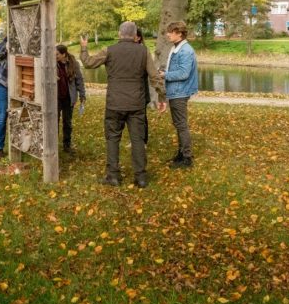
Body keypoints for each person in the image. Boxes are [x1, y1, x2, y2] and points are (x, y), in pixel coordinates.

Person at [81, 22, 165, 188]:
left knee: (112, 139)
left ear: (120, 34)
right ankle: (141, 177)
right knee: (138, 139)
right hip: (136, 103)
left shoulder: (109, 50)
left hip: (115, 103)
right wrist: (162, 96)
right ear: (135, 35)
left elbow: (88, 63)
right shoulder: (143, 51)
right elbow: (154, 77)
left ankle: (113, 175)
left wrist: (84, 47)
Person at [159, 21, 198, 169]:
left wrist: (165, 75)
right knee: (178, 124)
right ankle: (181, 154)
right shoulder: (177, 47)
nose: (168, 34)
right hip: (176, 91)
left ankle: (187, 158)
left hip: (180, 92)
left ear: (179, 34)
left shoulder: (185, 50)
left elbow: (183, 73)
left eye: (171, 32)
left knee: (181, 125)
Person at [55, 44, 86, 154]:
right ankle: (53, 146)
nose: (55, 56)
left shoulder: (74, 63)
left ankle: (67, 145)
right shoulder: (52, 63)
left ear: (64, 54)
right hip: (56, 98)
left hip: (69, 98)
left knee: (67, 122)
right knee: (54, 122)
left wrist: (82, 95)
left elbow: (79, 80)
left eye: (57, 54)